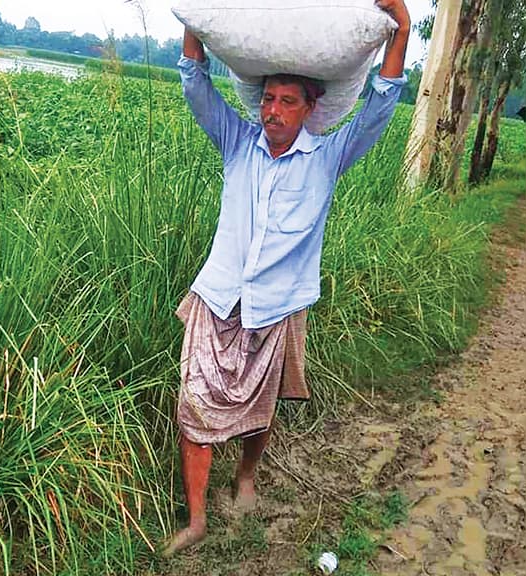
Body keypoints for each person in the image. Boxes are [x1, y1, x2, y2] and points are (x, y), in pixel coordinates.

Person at [165, 0, 411, 557]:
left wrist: (401, 26)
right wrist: (194, 19)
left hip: (278, 306)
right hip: (218, 296)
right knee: (194, 402)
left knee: (261, 404)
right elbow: (194, 84)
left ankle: (247, 476)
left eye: (287, 101)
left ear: (310, 108)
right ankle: (198, 519)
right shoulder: (235, 142)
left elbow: (381, 104)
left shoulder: (328, 158)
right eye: (269, 98)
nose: (273, 110)